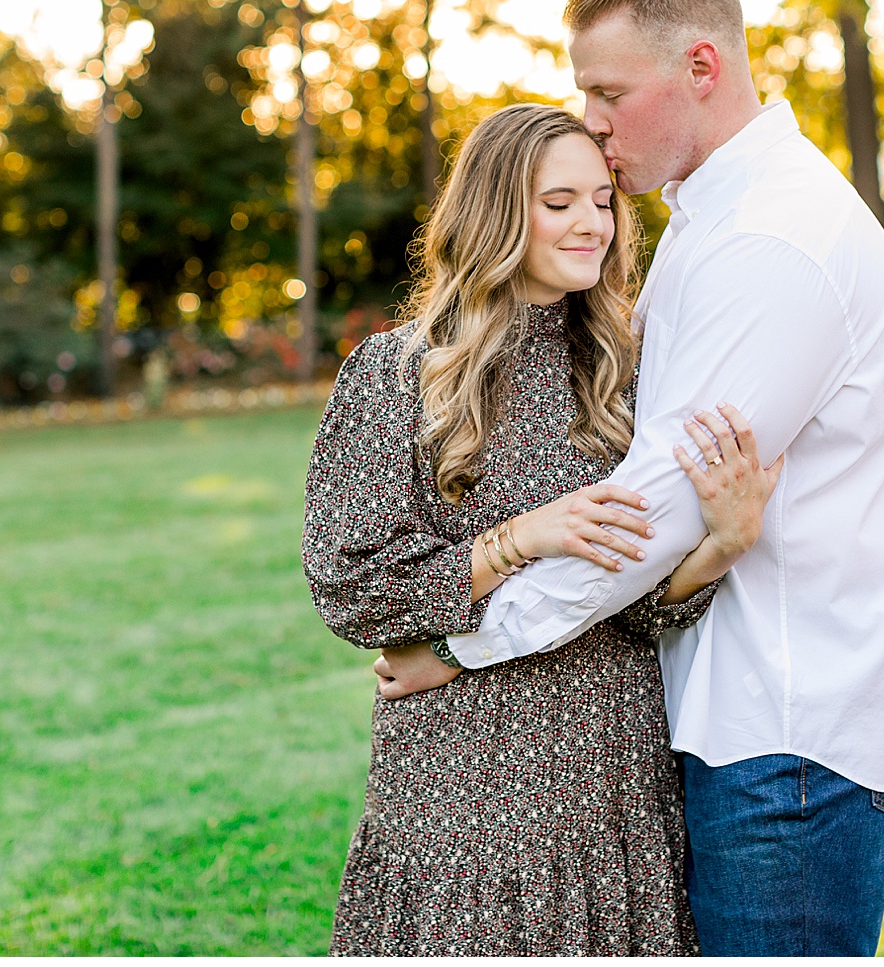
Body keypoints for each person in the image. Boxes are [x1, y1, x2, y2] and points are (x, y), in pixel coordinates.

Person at [375, 0, 884, 956]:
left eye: (608, 92)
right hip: (749, 718)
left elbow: (649, 510)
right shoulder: (710, 218)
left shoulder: (771, 240)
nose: (590, 124)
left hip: (792, 738)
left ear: (702, 67)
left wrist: (462, 643)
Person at [300, 102, 782, 955]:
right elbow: (354, 591)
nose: (593, 222)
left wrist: (722, 544)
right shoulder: (402, 371)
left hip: (612, 778)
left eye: (602, 201)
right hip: (464, 793)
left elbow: (638, 607)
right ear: (494, 210)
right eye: (559, 202)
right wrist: (522, 537)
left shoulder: (629, 373)